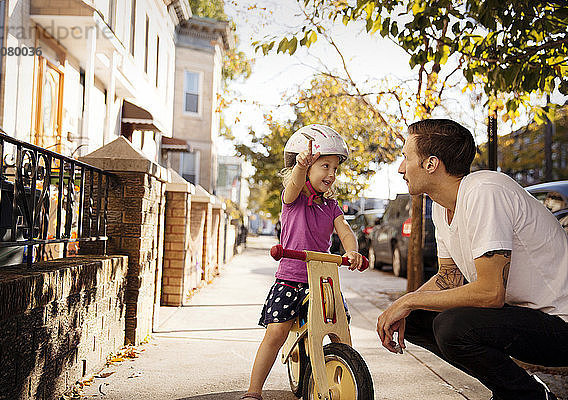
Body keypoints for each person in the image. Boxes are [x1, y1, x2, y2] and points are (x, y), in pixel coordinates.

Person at [376, 119, 568, 400]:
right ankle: (510, 389)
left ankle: (529, 396)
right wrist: (402, 306)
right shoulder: (441, 208)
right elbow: (447, 278)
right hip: (526, 320)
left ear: (431, 164)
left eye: (406, 157)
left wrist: (408, 299)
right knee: (416, 317)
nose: (401, 168)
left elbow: (491, 293)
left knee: (451, 326)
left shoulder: (485, 191)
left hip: (560, 324)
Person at [241, 124, 364, 400]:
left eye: (335, 168)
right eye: (324, 166)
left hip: (323, 280)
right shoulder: (293, 200)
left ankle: (347, 379)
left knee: (341, 331)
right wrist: (300, 166)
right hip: (291, 278)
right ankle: (254, 390)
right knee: (276, 332)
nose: (331, 174)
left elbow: (344, 230)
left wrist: (352, 251)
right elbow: (293, 185)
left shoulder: (331, 206)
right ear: (307, 167)